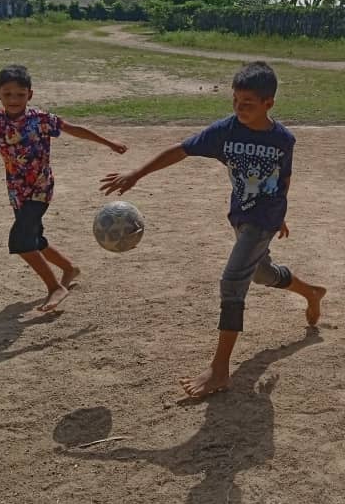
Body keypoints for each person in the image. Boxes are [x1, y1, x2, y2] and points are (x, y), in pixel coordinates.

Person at [100, 61, 326, 398]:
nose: (239, 108)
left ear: (269, 104)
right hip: (240, 216)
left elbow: (284, 178)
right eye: (235, 101)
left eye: (247, 103)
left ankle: (220, 369)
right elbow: (180, 150)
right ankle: (310, 292)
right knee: (261, 274)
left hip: (263, 221)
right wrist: (136, 174)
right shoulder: (226, 131)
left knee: (232, 281)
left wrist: (280, 212)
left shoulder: (283, 140)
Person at [0, 64, 126, 312]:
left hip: (40, 189)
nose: (14, 99)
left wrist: (109, 142)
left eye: (20, 94)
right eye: (7, 94)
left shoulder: (41, 119)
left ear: (30, 94)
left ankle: (54, 287)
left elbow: (74, 129)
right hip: (16, 192)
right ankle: (70, 269)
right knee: (35, 240)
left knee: (20, 240)